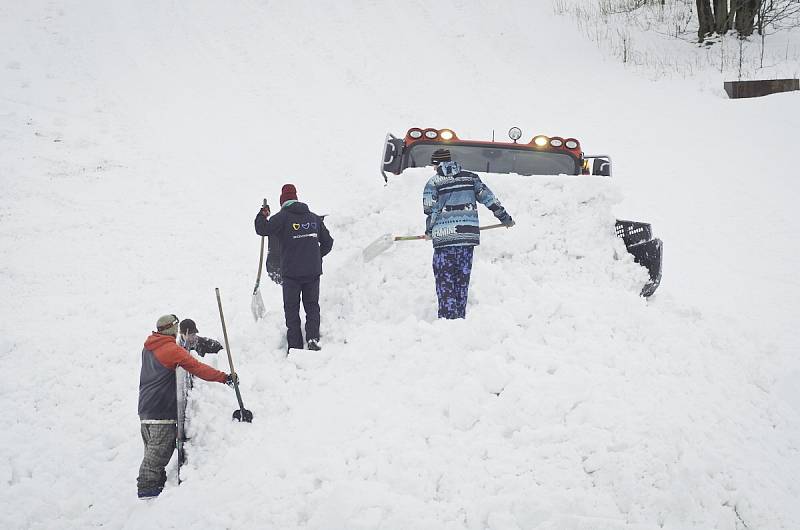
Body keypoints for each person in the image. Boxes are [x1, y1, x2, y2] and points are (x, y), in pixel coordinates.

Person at [137, 314, 237, 499]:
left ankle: (156, 495)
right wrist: (225, 377)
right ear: (173, 329)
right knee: (156, 458)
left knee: (153, 456)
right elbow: (197, 367)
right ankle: (146, 496)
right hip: (162, 411)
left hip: (145, 410)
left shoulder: (148, 348)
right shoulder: (170, 349)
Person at [423, 149, 514, 319]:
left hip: (444, 241)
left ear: (436, 164)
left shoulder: (433, 183)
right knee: (461, 282)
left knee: (445, 282)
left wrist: (429, 231)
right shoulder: (471, 178)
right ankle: (459, 320)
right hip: (466, 239)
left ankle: (448, 322)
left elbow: (430, 210)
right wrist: (505, 218)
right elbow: (489, 198)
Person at [254, 184, 333, 352]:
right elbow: (328, 242)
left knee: (292, 309)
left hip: (291, 274)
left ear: (282, 202)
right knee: (312, 306)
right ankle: (313, 340)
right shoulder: (313, 218)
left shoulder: (281, 218)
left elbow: (261, 229)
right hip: (312, 272)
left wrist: (263, 214)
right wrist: (316, 257)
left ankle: (295, 346)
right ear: (296, 198)